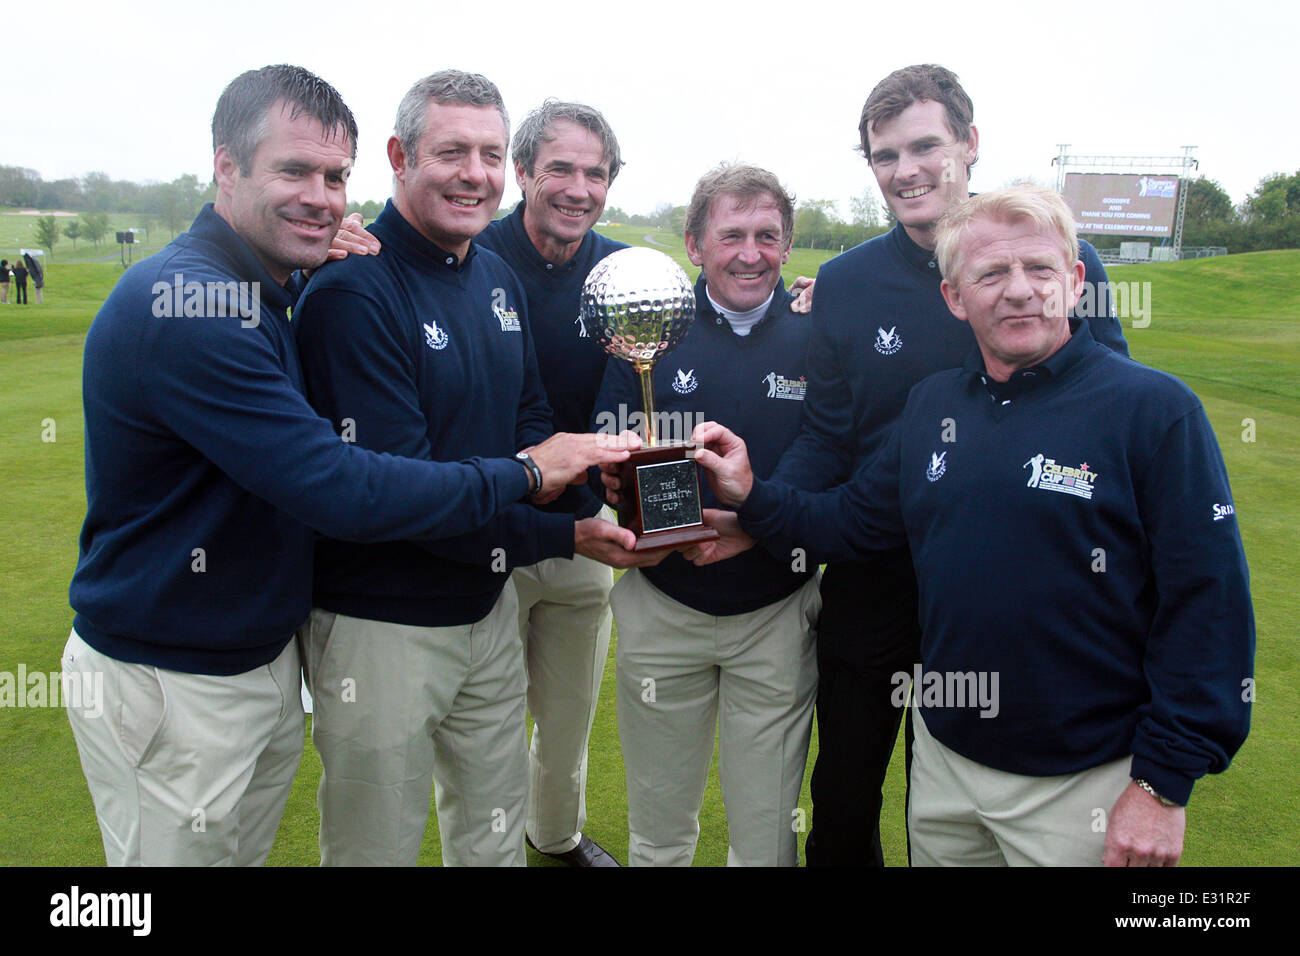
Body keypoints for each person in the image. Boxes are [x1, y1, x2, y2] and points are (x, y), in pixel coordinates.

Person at [63, 64, 628, 868]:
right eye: (293, 170)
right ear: (226, 166)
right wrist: (537, 482)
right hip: (189, 664)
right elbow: (355, 489)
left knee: (488, 841)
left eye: (332, 176)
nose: (321, 197)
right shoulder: (210, 300)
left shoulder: (284, 282)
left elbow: (527, 416)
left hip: (283, 648)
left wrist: (592, 495)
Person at [687, 185, 1254, 866]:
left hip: (1083, 781)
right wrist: (753, 497)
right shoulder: (933, 407)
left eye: (1039, 269)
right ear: (956, 298)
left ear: (1074, 283)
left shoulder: (1155, 411)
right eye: (991, 274)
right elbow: (850, 523)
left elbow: (1208, 608)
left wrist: (1163, 787)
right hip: (946, 771)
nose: (1019, 291)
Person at [766, 64, 1129, 866]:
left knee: (967, 793)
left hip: (1007, 584)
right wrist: (757, 508)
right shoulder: (845, 283)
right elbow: (826, 435)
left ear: (970, 143)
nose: (908, 171)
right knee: (846, 792)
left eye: (926, 146)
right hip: (874, 570)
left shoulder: (1059, 260)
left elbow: (1105, 419)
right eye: (885, 156)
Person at [292, 71, 652, 867]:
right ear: (399, 155)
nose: (475, 172)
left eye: (488, 152)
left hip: (481, 607)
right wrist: (558, 522)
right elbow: (398, 494)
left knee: (489, 837)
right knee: (374, 847)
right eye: (452, 150)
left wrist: (578, 513)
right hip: (382, 623)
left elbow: (527, 414)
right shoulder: (355, 289)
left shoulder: (490, 276)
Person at [592, 164, 819, 866]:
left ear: (786, 244)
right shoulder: (648, 328)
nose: (750, 252)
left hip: (775, 614)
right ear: (695, 245)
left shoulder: (821, 333)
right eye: (731, 235)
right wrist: (621, 491)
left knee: (767, 837)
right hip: (666, 607)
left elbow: (834, 453)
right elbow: (610, 434)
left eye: (767, 235)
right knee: (659, 829)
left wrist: (757, 523)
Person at [471, 100, 631, 867]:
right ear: (523, 171)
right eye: (560, 167)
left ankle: (555, 837)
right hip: (486, 530)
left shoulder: (626, 272)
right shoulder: (468, 251)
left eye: (594, 172)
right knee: (486, 728)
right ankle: (489, 853)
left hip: (586, 537)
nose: (578, 187)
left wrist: (810, 304)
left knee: (567, 717)